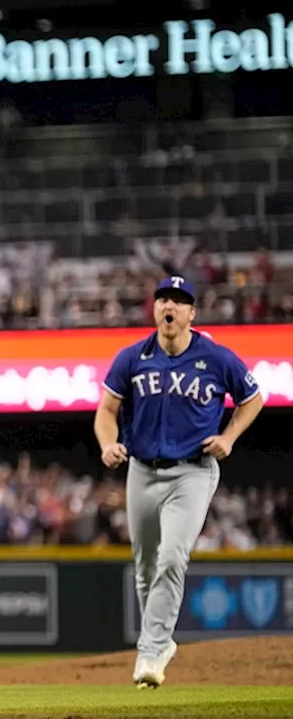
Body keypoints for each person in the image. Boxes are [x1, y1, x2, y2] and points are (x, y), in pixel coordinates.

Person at [94, 275, 265, 689]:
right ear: (155, 310)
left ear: (192, 313)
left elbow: (253, 398)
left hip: (192, 470)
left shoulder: (217, 357)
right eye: (163, 300)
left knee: (172, 557)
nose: (169, 306)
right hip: (141, 470)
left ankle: (150, 651)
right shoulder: (132, 357)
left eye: (179, 301)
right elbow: (106, 410)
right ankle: (160, 640)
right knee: (145, 568)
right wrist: (106, 443)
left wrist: (229, 436)